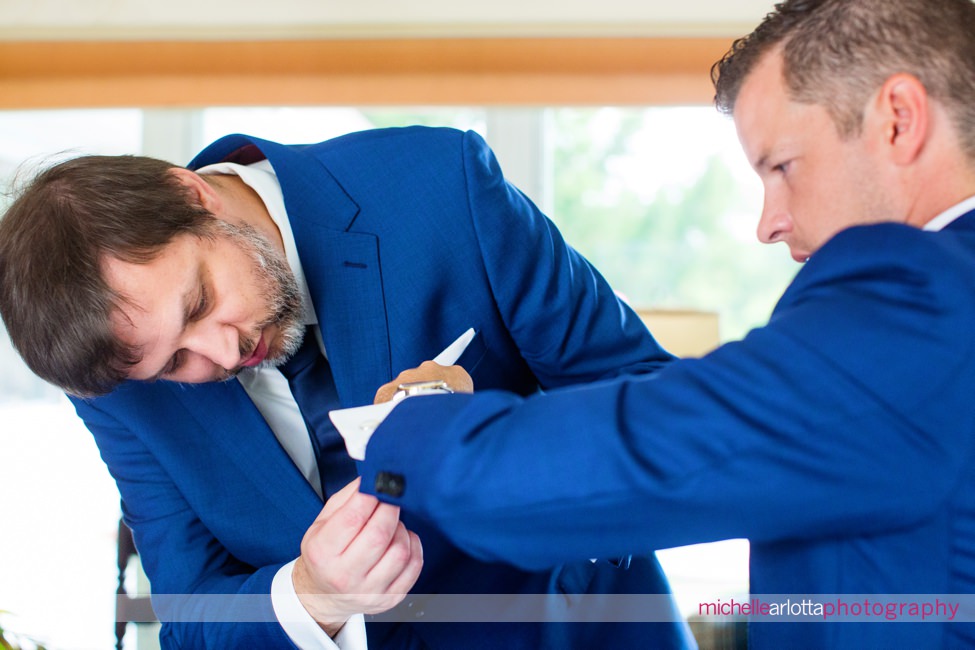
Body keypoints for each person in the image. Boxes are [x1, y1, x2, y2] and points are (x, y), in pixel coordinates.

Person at [353, 1, 975, 648]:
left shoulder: (920, 301)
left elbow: (639, 455)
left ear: (898, 121)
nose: (767, 223)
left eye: (782, 166)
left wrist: (413, 425)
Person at [0, 127, 695, 648]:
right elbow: (191, 615)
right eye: (172, 364)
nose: (222, 353)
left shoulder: (440, 187)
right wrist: (312, 597)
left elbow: (656, 405)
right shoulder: (119, 383)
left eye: (198, 304)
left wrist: (484, 436)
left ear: (193, 195)